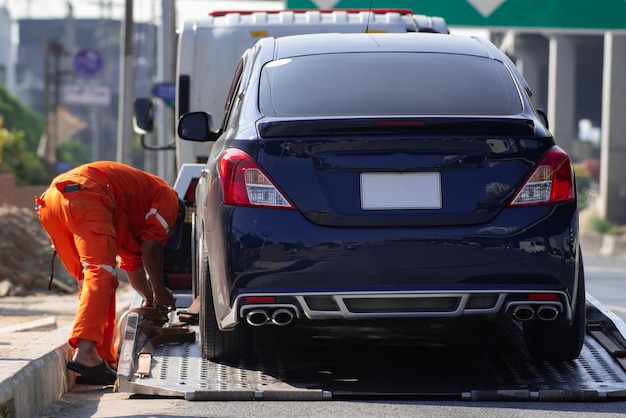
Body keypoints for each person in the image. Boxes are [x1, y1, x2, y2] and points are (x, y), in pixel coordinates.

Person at [35, 161, 184, 385]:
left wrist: (150, 299)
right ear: (175, 221)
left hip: (52, 201)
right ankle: (85, 352)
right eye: (167, 233)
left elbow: (134, 264)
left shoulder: (134, 216)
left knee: (92, 283)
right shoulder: (168, 197)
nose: (164, 237)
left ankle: (99, 358)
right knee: (100, 274)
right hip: (86, 194)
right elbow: (152, 247)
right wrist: (161, 290)